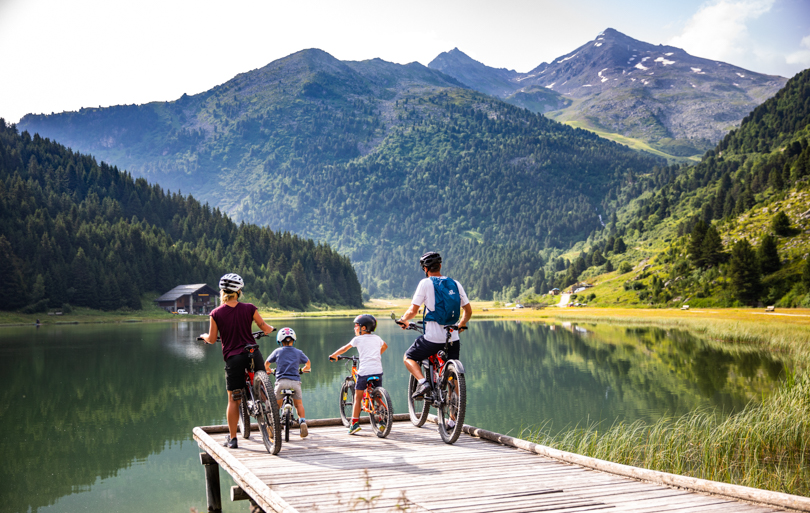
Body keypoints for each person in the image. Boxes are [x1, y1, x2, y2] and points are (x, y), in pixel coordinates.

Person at [200, 273, 275, 449]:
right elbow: (264, 327)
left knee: (233, 399)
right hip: (252, 352)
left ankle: (233, 439)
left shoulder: (216, 313)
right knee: (263, 390)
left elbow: (212, 339)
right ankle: (272, 423)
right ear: (239, 291)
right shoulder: (249, 308)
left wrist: (204, 336)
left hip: (234, 358)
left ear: (222, 292)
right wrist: (270, 329)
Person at [398, 251, 472, 400]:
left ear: (425, 269)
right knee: (452, 376)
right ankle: (453, 419)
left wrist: (403, 319)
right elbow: (468, 310)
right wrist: (461, 324)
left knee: (408, 356)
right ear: (440, 265)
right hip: (453, 338)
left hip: (432, 339)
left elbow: (413, 310)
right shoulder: (455, 283)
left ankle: (423, 382)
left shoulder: (425, 283)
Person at [329, 314, 388, 435]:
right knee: (377, 396)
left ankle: (354, 424)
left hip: (365, 372)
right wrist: (377, 355)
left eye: (356, 326)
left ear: (364, 327)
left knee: (357, 397)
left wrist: (333, 355)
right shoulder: (377, 338)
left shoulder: (358, 339)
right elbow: (385, 346)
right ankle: (382, 421)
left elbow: (345, 348)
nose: (355, 328)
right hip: (378, 370)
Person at [265, 327, 311, 438]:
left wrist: (268, 370)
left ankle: (272, 425)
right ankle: (303, 422)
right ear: (293, 340)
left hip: (281, 383)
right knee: (298, 404)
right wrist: (305, 369)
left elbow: (266, 363)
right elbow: (308, 363)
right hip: (295, 383)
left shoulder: (277, 351)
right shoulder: (298, 352)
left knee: (276, 405)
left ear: (279, 341)